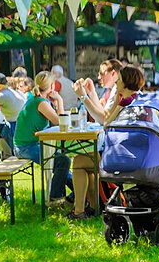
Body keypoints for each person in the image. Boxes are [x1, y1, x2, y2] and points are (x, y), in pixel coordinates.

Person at [70, 65, 146, 220]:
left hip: (121, 159)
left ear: (125, 84)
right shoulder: (136, 99)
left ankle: (80, 212)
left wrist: (85, 97)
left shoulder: (125, 103)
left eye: (119, 81)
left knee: (78, 162)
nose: (116, 83)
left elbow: (106, 123)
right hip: (133, 155)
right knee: (84, 164)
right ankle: (92, 207)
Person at [13, 71, 70, 207]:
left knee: (61, 162)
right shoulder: (41, 102)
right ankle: (56, 198)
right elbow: (60, 123)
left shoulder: (36, 100)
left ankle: (80, 196)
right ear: (51, 86)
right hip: (26, 147)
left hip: (24, 146)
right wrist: (60, 101)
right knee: (63, 161)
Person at [0, 73, 26, 139]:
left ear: (0, 86)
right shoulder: (11, 91)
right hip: (22, 124)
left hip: (14, 126)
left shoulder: (1, 95)